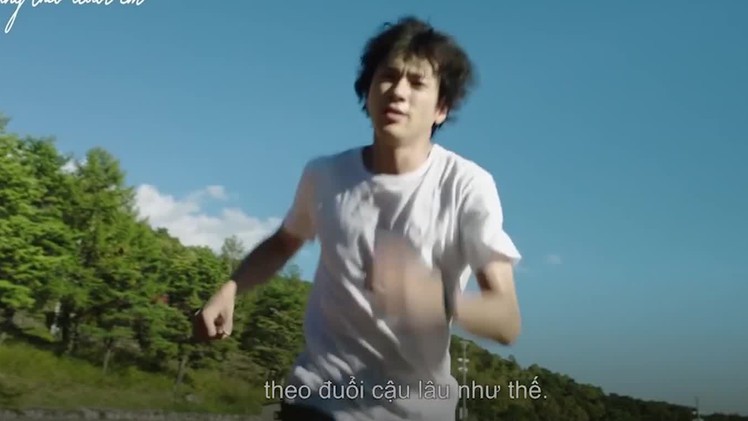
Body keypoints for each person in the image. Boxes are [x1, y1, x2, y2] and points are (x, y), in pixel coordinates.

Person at [193, 15, 523, 421]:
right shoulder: (325, 175)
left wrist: (431, 299)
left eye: (417, 82)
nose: (398, 91)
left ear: (441, 108)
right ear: (367, 91)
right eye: (388, 77)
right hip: (313, 402)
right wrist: (231, 288)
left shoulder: (467, 186)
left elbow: (506, 320)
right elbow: (283, 242)